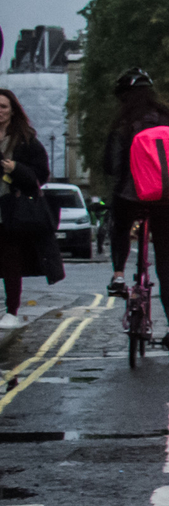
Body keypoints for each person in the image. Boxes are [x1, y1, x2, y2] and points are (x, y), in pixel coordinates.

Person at [100, 69, 169, 359]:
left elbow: (110, 165)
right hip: (168, 198)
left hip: (132, 195)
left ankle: (118, 275)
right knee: (167, 269)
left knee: (120, 226)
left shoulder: (123, 123)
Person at [0, 88, 67, 330]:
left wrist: (15, 169)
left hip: (12, 210)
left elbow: (40, 175)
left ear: (13, 110)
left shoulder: (25, 140)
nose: (0, 111)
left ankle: (11, 310)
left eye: (4, 106)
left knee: (10, 260)